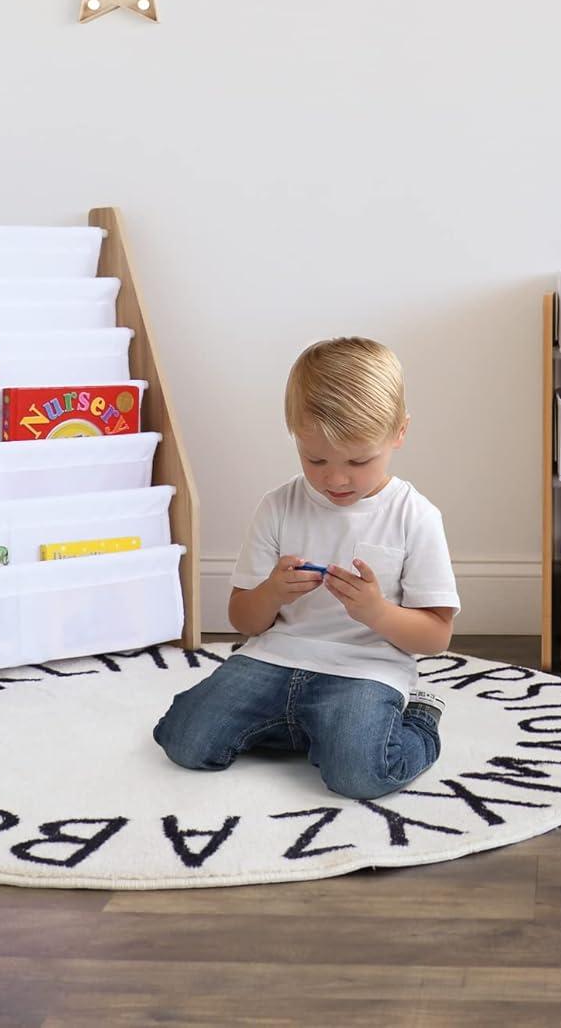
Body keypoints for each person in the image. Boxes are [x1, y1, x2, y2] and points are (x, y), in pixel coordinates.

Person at [153, 337, 459, 799]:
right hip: (275, 657)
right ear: (294, 436)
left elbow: (436, 637)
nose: (336, 478)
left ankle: (416, 719)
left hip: (365, 669)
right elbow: (243, 620)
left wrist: (376, 612)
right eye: (315, 459)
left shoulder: (415, 516)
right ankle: (312, 729)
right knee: (184, 741)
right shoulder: (278, 506)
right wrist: (273, 592)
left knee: (359, 776)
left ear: (399, 432)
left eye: (358, 461)